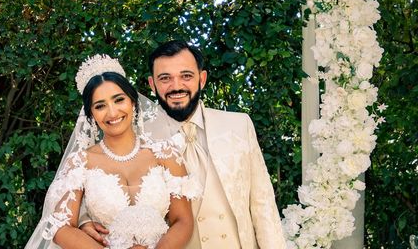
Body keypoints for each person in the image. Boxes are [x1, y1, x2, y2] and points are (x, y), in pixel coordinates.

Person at [82, 41, 287, 249]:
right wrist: (84, 220)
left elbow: (264, 206)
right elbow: (97, 179)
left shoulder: (238, 125)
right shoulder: (137, 138)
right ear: (152, 85)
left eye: (186, 76)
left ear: (202, 79)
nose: (176, 86)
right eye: (165, 78)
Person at [25, 54, 199, 249]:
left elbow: (183, 221)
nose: (112, 112)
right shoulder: (81, 161)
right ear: (91, 115)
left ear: (133, 102)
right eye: (100, 106)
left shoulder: (166, 154)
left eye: (119, 100)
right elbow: (61, 228)